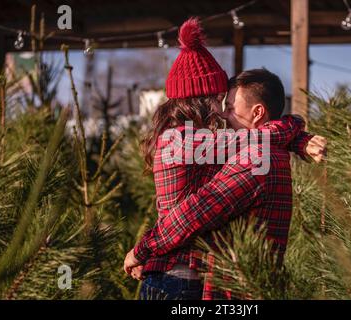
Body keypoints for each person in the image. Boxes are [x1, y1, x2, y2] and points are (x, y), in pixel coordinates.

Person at [124, 18, 326, 300]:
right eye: (220, 102)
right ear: (200, 100)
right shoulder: (183, 139)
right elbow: (192, 213)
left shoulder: (235, 151)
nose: (221, 113)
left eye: (228, 105)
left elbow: (255, 142)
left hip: (177, 274)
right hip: (177, 275)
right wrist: (295, 131)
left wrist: (297, 139)